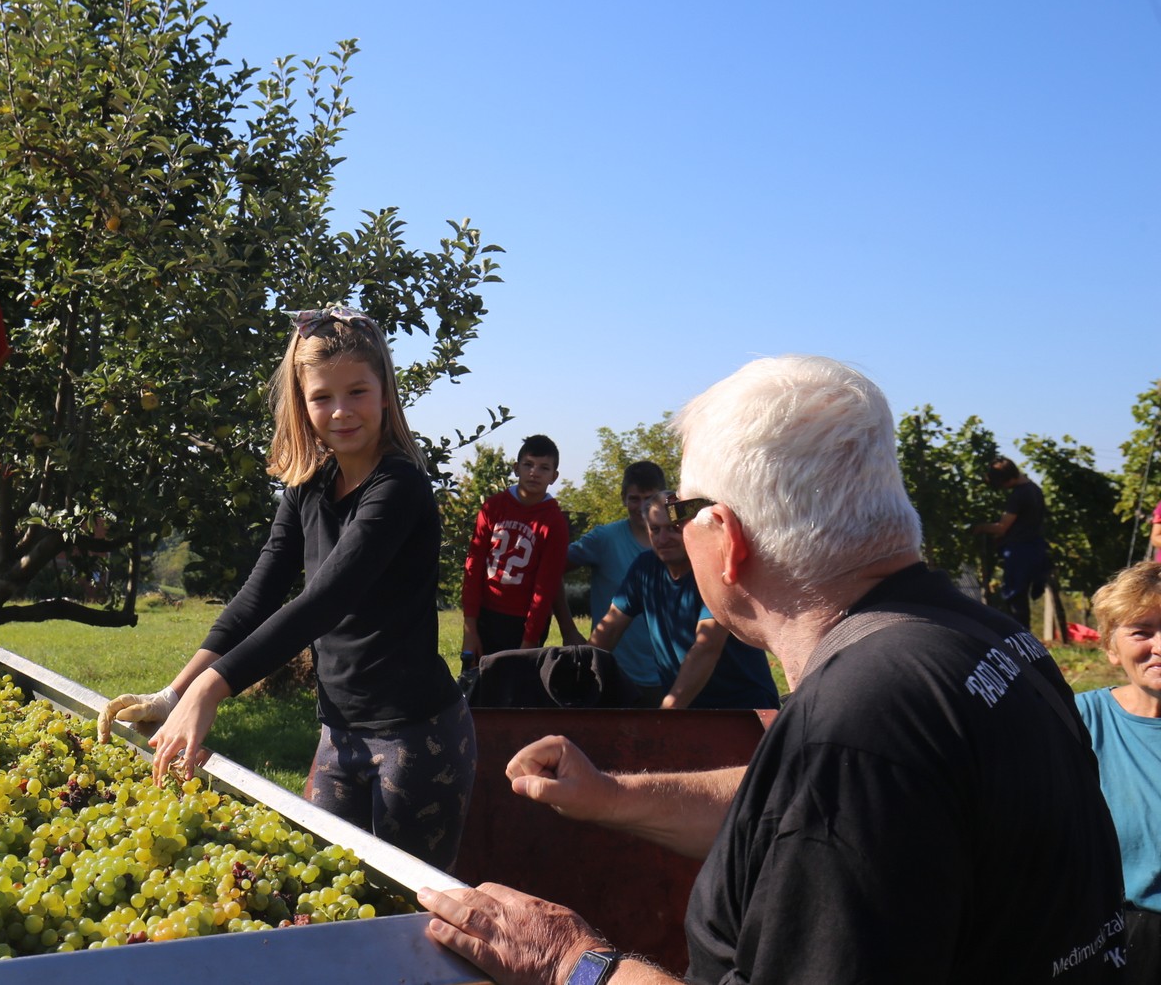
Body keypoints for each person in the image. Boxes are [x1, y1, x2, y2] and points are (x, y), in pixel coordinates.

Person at [420, 354, 1125, 984]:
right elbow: (816, 815)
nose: (673, 525)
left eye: (686, 508)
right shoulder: (985, 639)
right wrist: (610, 794)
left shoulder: (861, 723)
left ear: (726, 539)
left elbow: (838, 786)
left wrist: (572, 964)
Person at [98, 305, 473, 869]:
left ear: (386, 393)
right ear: (301, 403)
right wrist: (175, 694)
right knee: (321, 881)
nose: (341, 412)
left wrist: (212, 690)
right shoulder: (308, 487)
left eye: (358, 392)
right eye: (322, 397)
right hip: (338, 732)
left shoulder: (399, 488)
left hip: (417, 739)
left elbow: (324, 602)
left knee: (406, 912)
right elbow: (258, 596)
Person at [588, 496, 777, 710]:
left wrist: (667, 713)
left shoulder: (716, 571)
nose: (663, 538)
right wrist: (579, 670)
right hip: (688, 709)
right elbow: (610, 629)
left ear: (690, 528)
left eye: (672, 529)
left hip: (742, 709)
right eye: (655, 529)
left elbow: (706, 647)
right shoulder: (645, 568)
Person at [1076, 561, 1161, 982]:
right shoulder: (1078, 720)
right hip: (1112, 933)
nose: (1159, 645)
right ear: (1111, 647)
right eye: (1141, 631)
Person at [553, 461, 666, 702]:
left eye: (649, 498)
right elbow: (550, 572)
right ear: (623, 498)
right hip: (615, 673)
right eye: (635, 498)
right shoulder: (605, 539)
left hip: (668, 675)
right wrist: (568, 628)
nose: (642, 506)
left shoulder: (679, 542)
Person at [461, 435, 570, 658]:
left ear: (554, 476)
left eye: (544, 468)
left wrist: (530, 639)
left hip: (523, 621)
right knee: (475, 686)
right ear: (516, 468)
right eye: (528, 464)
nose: (534, 472)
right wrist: (469, 626)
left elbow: (546, 585)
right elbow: (474, 566)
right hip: (486, 614)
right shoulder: (493, 507)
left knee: (516, 690)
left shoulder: (554, 521)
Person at [972, 456, 1049, 628]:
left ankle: (1020, 639)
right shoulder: (1035, 489)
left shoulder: (1019, 495)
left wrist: (979, 528)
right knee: (1019, 599)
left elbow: (1001, 527)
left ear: (1007, 479)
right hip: (1035, 548)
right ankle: (1024, 637)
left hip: (1020, 552)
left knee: (1015, 599)